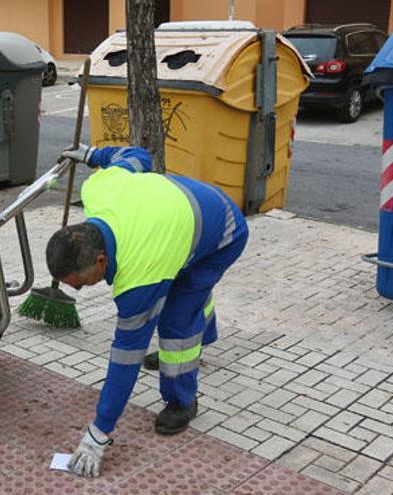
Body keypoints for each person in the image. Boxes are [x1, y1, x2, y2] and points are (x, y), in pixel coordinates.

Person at [47, 145, 249, 478]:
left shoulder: (140, 279)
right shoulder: (98, 187)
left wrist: (100, 431)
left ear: (101, 261)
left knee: (177, 320)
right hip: (184, 215)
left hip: (223, 231)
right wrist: (93, 155)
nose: (79, 291)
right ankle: (202, 320)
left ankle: (183, 401)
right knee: (182, 290)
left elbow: (126, 356)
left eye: (81, 283)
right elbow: (134, 155)